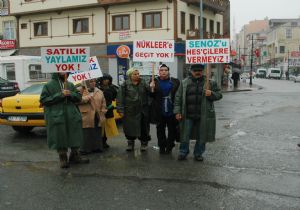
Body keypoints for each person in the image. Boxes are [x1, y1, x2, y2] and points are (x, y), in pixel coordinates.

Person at [174, 64, 223, 161]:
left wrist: (211, 94)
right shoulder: (184, 83)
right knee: (185, 134)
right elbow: (178, 98)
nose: (197, 72)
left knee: (202, 135)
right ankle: (183, 152)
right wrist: (177, 112)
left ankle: (198, 153)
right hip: (187, 114)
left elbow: (219, 95)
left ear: (203, 71)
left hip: (204, 115)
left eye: (200, 70)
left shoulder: (210, 83)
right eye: (195, 70)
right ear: (191, 71)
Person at [40, 72, 89, 168]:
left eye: (66, 70)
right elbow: (44, 100)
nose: (64, 72)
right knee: (60, 136)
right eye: (62, 70)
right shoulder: (48, 85)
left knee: (75, 134)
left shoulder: (70, 84)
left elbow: (78, 98)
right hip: (57, 115)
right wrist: (60, 94)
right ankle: (63, 158)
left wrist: (71, 93)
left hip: (72, 115)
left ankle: (75, 155)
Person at [116, 68, 151, 152]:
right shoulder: (125, 85)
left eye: (138, 74)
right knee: (129, 128)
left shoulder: (143, 83)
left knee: (143, 128)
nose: (137, 75)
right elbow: (120, 98)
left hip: (142, 110)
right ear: (130, 75)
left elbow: (151, 93)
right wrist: (120, 110)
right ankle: (130, 143)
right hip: (130, 111)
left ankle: (144, 143)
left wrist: (152, 87)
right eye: (135, 74)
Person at [149, 64, 180, 154]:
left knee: (172, 130)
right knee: (160, 130)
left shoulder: (175, 81)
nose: (164, 72)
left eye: (165, 70)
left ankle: (170, 146)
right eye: (161, 70)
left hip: (172, 109)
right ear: (159, 72)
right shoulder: (154, 81)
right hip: (159, 109)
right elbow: (151, 95)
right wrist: (151, 88)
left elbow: (179, 95)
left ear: (168, 71)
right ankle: (162, 146)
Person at [78, 79, 107, 155]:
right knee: (86, 132)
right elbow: (76, 101)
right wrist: (86, 98)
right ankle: (85, 149)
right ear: (86, 82)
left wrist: (103, 111)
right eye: (91, 81)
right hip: (85, 114)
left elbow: (103, 103)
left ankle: (97, 147)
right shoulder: (80, 90)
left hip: (97, 114)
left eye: (94, 81)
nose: (93, 83)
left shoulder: (99, 91)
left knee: (97, 131)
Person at [97, 73, 119, 149]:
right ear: (101, 80)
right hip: (99, 110)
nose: (106, 81)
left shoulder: (112, 88)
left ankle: (104, 141)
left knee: (107, 127)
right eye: (105, 79)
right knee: (100, 126)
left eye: (108, 79)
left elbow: (115, 97)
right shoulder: (98, 88)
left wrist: (111, 105)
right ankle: (99, 142)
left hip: (109, 110)